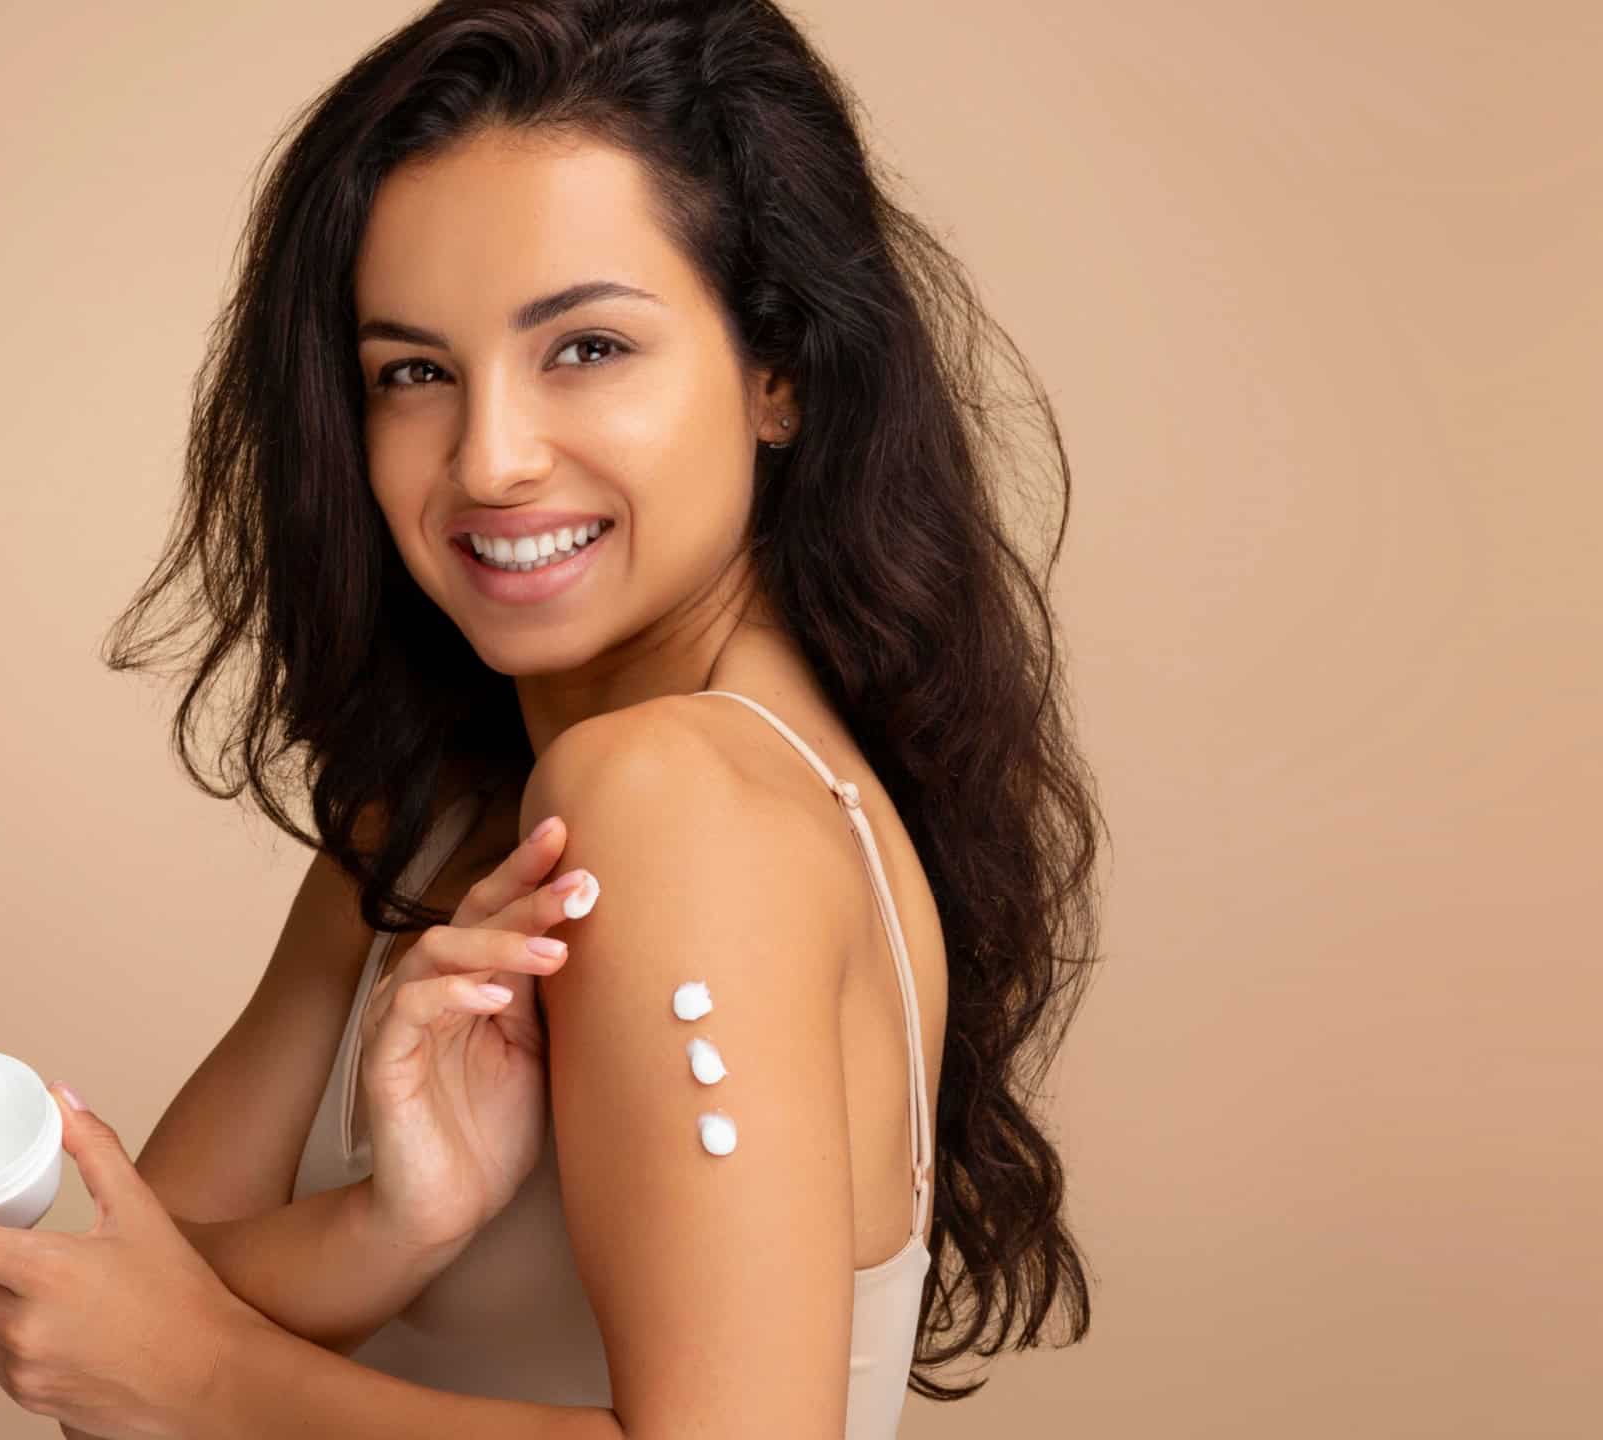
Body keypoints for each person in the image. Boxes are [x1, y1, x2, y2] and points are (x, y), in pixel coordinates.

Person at [103, 0, 1105, 1431]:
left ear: (779, 370)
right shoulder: (440, 811)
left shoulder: (676, 802)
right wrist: (393, 1227)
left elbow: (140, 1350)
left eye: (584, 349)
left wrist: (200, 1376)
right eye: (414, 373)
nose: (491, 459)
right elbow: (103, 1311)